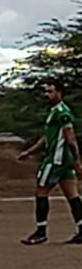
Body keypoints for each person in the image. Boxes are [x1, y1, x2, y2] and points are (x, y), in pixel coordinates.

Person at [18, 80, 82, 245]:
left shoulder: (62, 112)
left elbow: (70, 137)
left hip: (56, 159)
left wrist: (78, 160)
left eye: (50, 91)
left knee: (41, 190)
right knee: (72, 194)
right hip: (63, 160)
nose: (47, 95)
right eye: (45, 92)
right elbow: (47, 137)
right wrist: (30, 151)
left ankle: (41, 231)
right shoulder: (53, 112)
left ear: (59, 93)